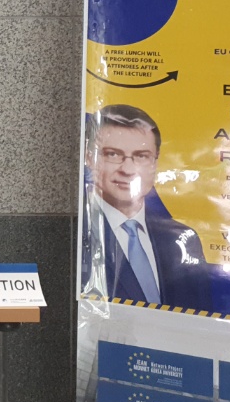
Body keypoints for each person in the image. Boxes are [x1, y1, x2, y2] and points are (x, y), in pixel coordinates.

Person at [79, 104, 212, 309]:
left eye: (141, 156)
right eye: (112, 154)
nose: (128, 169)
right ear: (89, 158)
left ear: (155, 163)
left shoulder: (183, 240)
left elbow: (200, 315)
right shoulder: (79, 235)